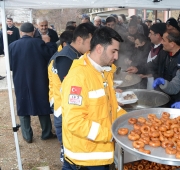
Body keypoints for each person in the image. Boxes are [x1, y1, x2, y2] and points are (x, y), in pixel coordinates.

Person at [61, 27, 126, 169]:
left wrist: (129, 120)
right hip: (85, 160)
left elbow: (111, 107)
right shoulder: (78, 78)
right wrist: (110, 133)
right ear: (99, 49)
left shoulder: (104, 73)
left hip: (99, 156)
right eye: (113, 51)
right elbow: (75, 122)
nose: (116, 57)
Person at [49, 23, 96, 163]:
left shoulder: (74, 54)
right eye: (91, 42)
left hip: (68, 108)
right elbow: (72, 88)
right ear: (80, 40)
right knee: (68, 150)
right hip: (63, 110)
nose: (93, 46)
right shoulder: (65, 58)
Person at [9, 22, 57, 143]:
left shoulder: (12, 45)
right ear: (33, 32)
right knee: (42, 103)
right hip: (38, 77)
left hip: (20, 79)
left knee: (22, 103)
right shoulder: (39, 43)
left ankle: (27, 135)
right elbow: (51, 56)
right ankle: (46, 133)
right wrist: (48, 42)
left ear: (20, 32)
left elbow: (10, 66)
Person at [126, 23, 167, 89]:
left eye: (150, 33)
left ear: (157, 35)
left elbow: (162, 71)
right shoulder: (150, 46)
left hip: (160, 86)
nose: (148, 36)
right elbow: (148, 64)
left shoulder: (164, 50)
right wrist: (137, 68)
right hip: (148, 84)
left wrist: (148, 75)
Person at [152, 29, 180, 106]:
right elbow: (153, 64)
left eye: (163, 40)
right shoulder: (164, 52)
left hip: (178, 101)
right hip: (163, 95)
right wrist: (138, 68)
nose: (161, 42)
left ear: (172, 44)